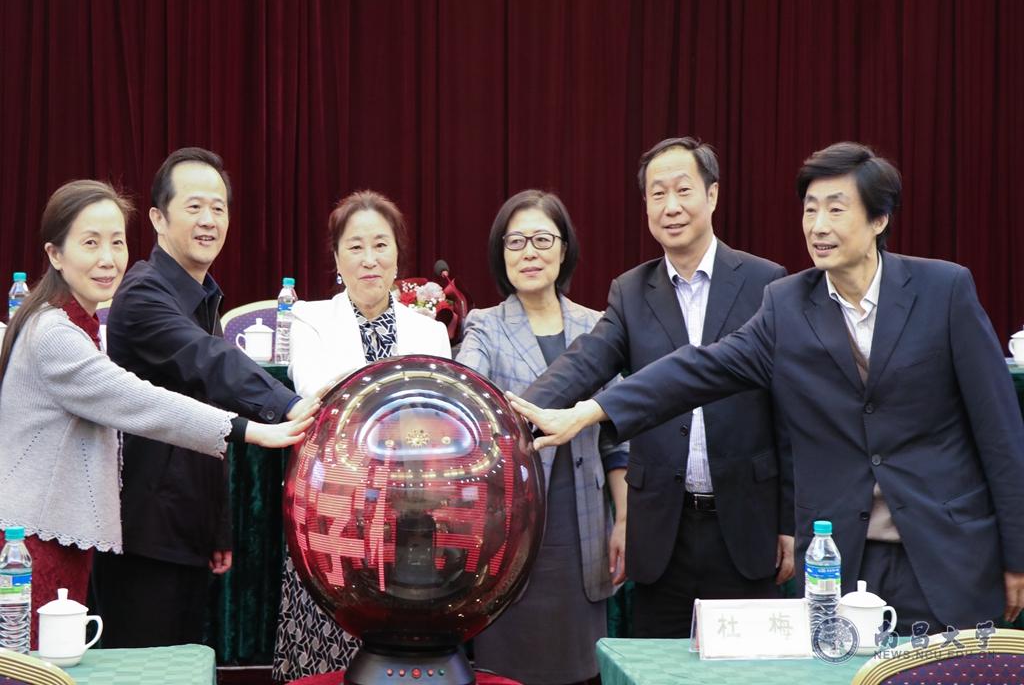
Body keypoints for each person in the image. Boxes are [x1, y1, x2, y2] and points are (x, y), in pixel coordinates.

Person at [512, 141, 1024, 635]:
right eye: (809, 210)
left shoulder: (943, 291)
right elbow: (696, 370)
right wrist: (589, 411)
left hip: (945, 550)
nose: (818, 226)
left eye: (836, 210)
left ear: (878, 219)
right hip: (842, 560)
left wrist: (1017, 555)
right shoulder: (788, 306)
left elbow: (1001, 434)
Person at [0, 180, 314, 648]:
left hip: (57, 536)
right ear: (55, 254)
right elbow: (141, 401)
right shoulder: (54, 334)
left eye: (116, 242)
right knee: (33, 671)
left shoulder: (73, 324)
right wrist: (248, 430)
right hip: (31, 548)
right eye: (90, 243)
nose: (108, 259)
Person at [519, 138, 793, 638]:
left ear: (712, 195)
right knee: (658, 667)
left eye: (683, 190)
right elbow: (586, 360)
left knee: (746, 668)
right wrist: (510, 413)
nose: (671, 206)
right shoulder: (631, 291)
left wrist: (790, 521)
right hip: (661, 531)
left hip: (745, 523)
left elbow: (789, 412)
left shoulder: (765, 283)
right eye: (657, 193)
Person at [91, 148, 320, 648]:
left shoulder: (201, 295)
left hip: (186, 527)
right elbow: (209, 361)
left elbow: (208, 418)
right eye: (194, 206)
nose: (209, 220)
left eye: (218, 208)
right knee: (143, 670)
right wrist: (289, 404)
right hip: (142, 533)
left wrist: (216, 524)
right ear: (158, 218)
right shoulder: (143, 293)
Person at [273, 190, 451, 681]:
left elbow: (436, 420)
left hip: (409, 513)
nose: (369, 259)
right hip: (332, 508)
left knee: (397, 647)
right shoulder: (309, 318)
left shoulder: (430, 331)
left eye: (380, 244)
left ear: (397, 255)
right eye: (355, 247)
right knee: (325, 652)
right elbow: (318, 393)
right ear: (336, 259)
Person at [453, 190, 628, 685]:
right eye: (516, 242)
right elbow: (470, 397)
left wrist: (624, 519)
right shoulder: (485, 326)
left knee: (581, 668)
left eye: (542, 240)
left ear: (564, 248)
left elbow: (619, 438)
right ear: (501, 253)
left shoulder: (598, 327)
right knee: (507, 671)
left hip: (583, 526)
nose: (529, 252)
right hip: (512, 525)